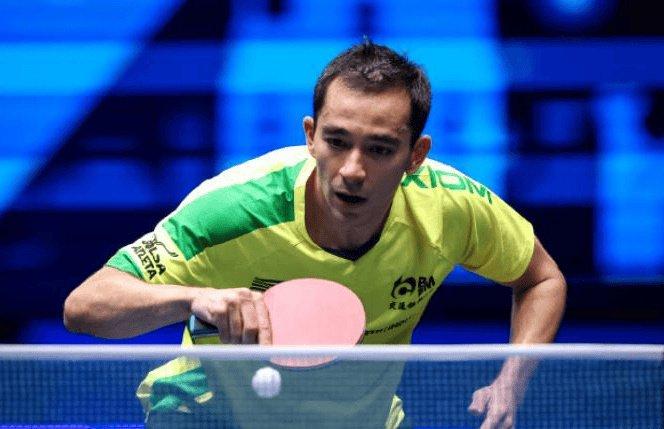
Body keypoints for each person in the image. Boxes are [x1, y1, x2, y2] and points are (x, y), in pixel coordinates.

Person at [63, 40, 566, 429]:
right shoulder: (235, 209)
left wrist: (511, 383)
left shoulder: (450, 208)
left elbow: (542, 280)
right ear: (310, 136)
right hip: (209, 411)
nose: (352, 170)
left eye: (379, 149)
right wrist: (193, 298)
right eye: (337, 141)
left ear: (416, 155)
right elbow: (85, 306)